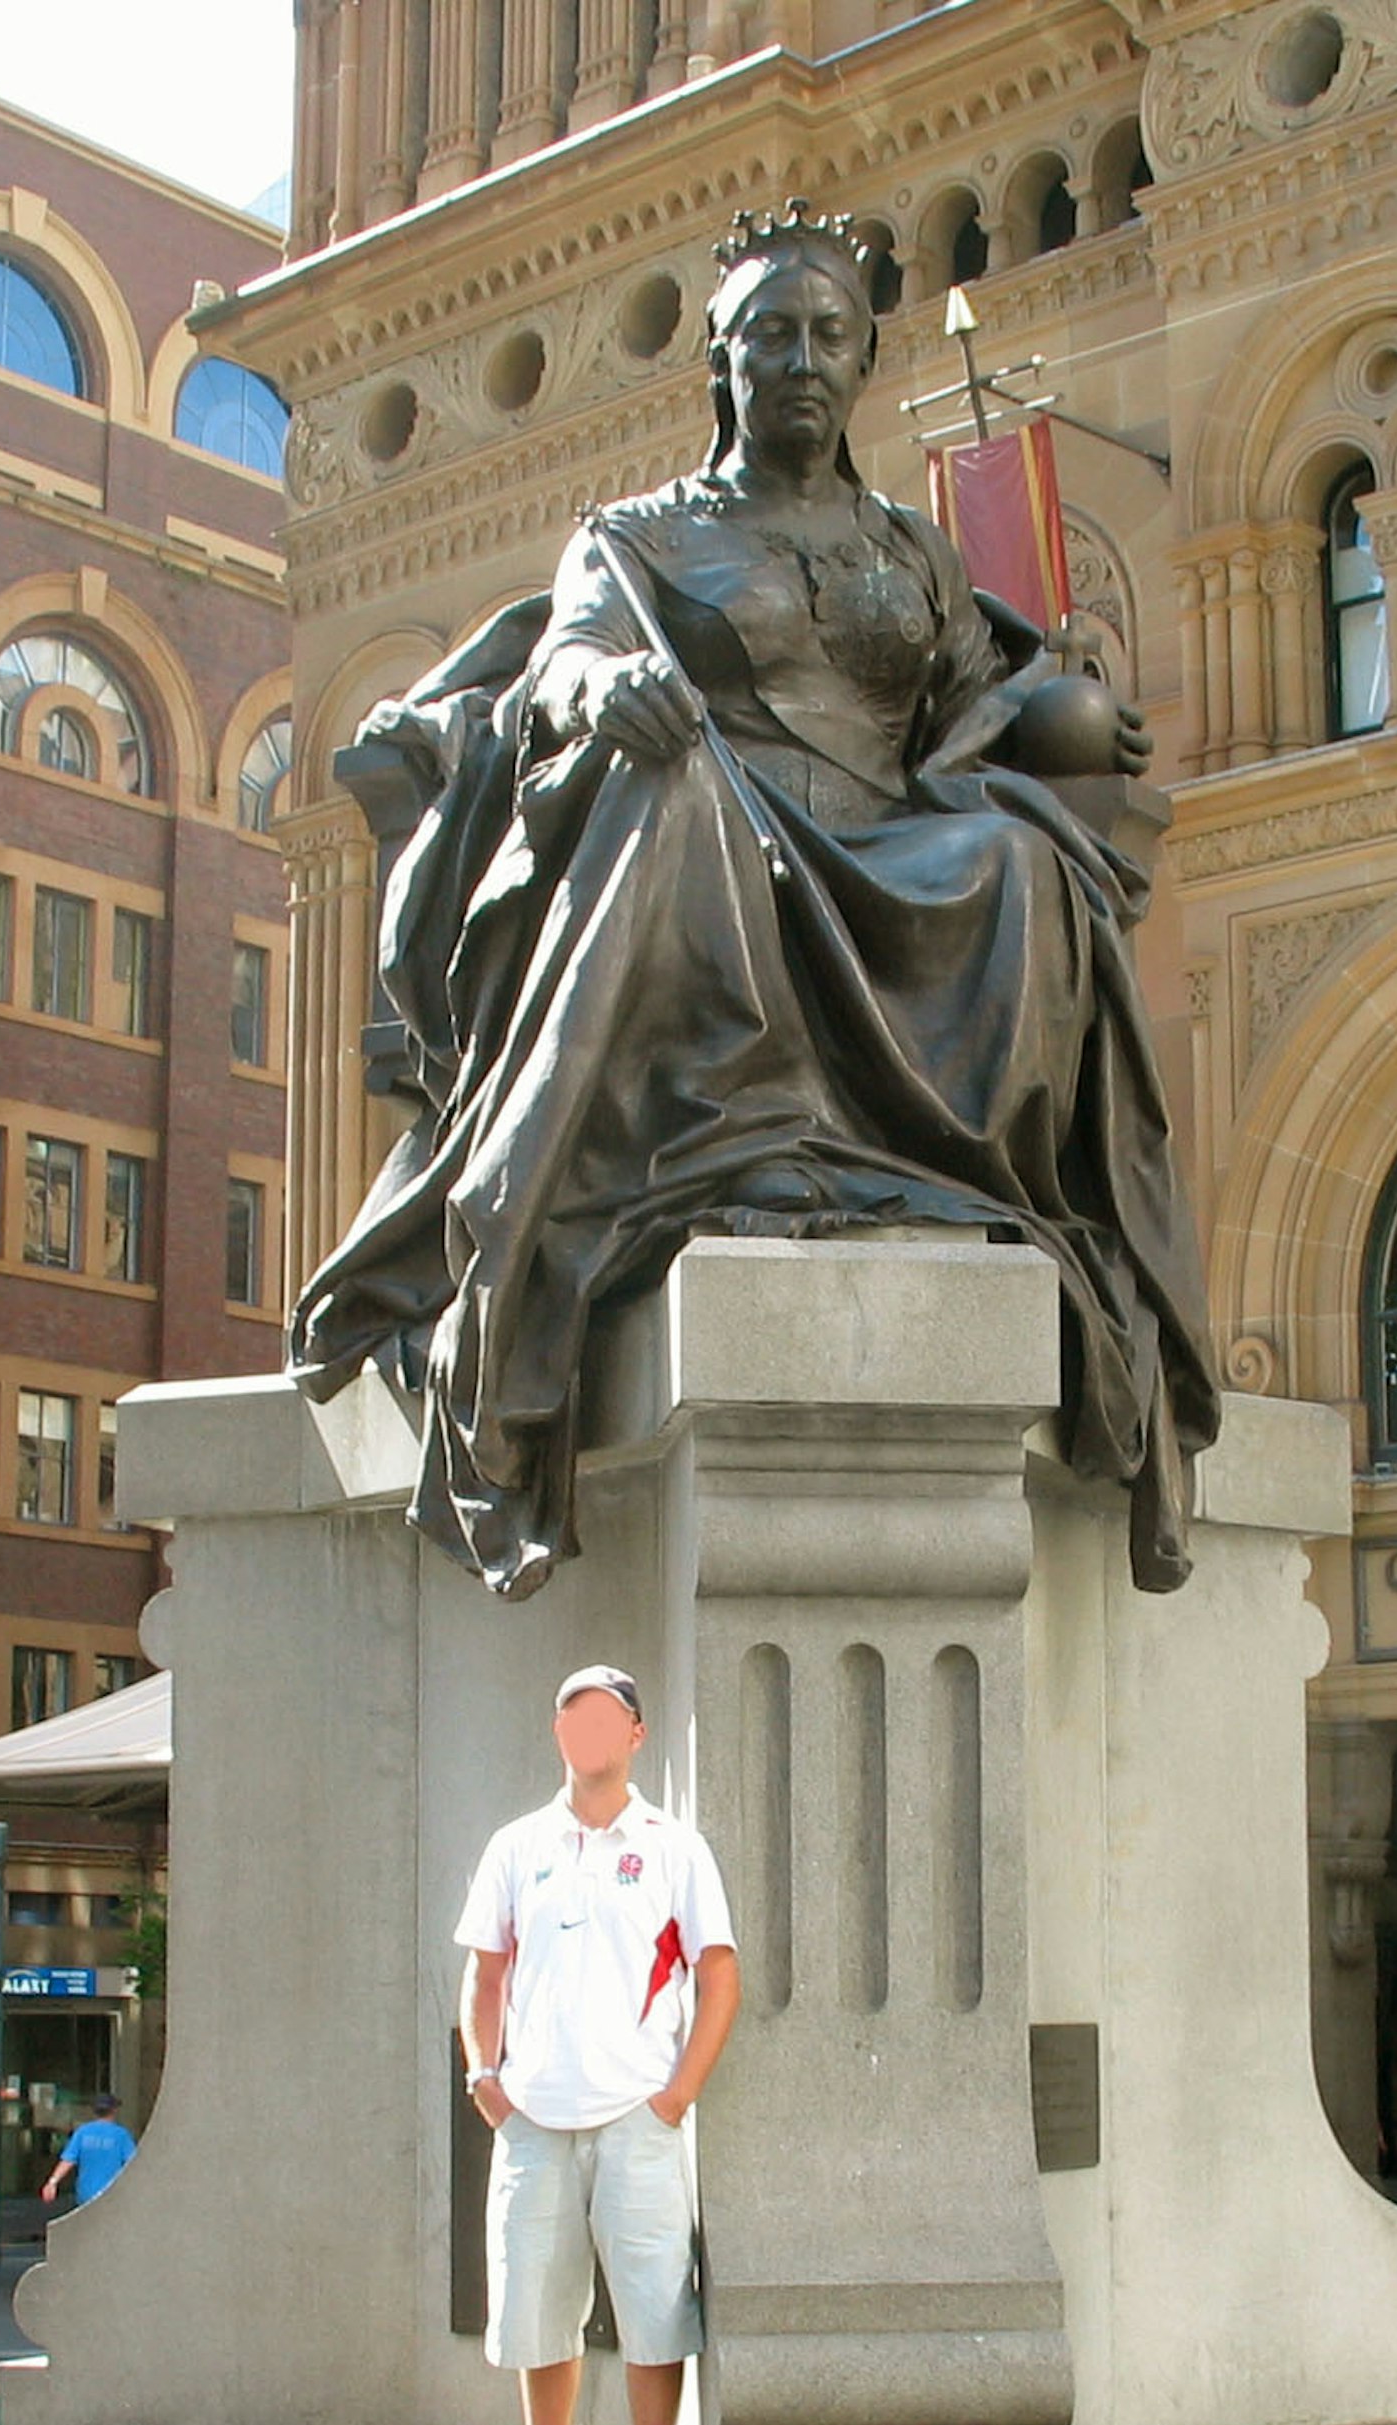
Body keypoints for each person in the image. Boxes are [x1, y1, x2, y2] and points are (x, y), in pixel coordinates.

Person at [290, 200, 1221, 1603]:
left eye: (827, 336)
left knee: (1027, 861)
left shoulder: (909, 546)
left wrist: (1066, 712)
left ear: (860, 366)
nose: (798, 359)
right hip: (721, 823)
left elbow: (980, 694)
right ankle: (699, 1153)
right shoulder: (642, 535)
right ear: (719, 363)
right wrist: (607, 686)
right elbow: (562, 664)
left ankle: (921, 1165)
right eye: (768, 334)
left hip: (896, 845)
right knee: (676, 803)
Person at [451, 1666, 741, 2425]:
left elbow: (719, 1974)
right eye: (573, 1717)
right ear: (557, 1731)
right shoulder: (516, 1844)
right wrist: (484, 2075)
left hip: (637, 2117)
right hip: (534, 2116)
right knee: (537, 2304)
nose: (589, 1735)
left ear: (637, 1737)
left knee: (657, 2310)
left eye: (607, 1719)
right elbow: (484, 1972)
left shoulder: (672, 1848)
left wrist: (676, 2096)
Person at [42, 2091, 135, 2215]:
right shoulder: (121, 2135)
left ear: (94, 2111)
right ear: (113, 2111)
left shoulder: (82, 2132)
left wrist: (52, 2182)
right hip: (112, 2194)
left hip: (86, 2194)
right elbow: (133, 2163)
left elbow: (68, 2160)